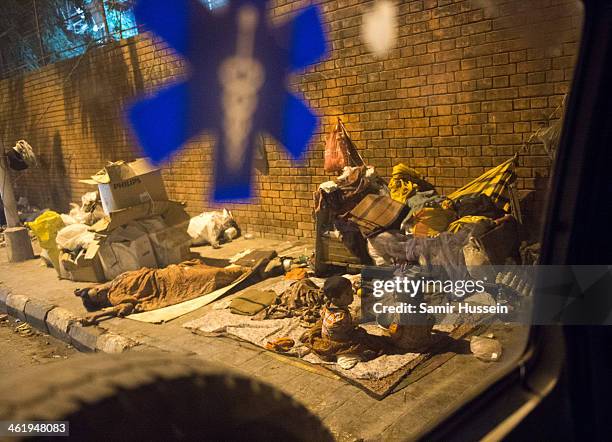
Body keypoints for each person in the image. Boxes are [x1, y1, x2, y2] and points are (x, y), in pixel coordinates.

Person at [301, 276, 391, 369]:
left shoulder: (328, 306)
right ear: (335, 300)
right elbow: (353, 325)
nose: (352, 294)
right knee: (370, 342)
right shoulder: (341, 317)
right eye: (347, 294)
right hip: (338, 341)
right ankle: (346, 356)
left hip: (329, 336)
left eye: (351, 291)